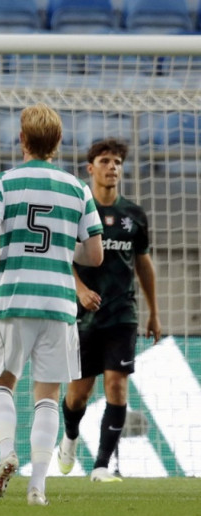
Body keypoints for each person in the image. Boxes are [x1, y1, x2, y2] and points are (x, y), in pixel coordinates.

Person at [0, 103, 104, 506]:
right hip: (59, 303)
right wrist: (61, 250)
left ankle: (6, 452)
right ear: (58, 142)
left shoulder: (3, 182)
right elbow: (95, 255)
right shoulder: (77, 188)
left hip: (14, 297)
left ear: (22, 139)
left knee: (1, 384)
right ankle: (37, 488)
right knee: (47, 397)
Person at [57, 139, 161, 483]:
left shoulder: (134, 215)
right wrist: (80, 289)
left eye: (117, 162)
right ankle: (69, 437)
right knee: (78, 395)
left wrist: (154, 312)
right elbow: (61, 258)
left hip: (122, 314)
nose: (112, 167)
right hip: (82, 316)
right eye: (105, 161)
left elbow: (143, 264)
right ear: (91, 168)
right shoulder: (77, 212)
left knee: (117, 386)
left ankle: (101, 466)